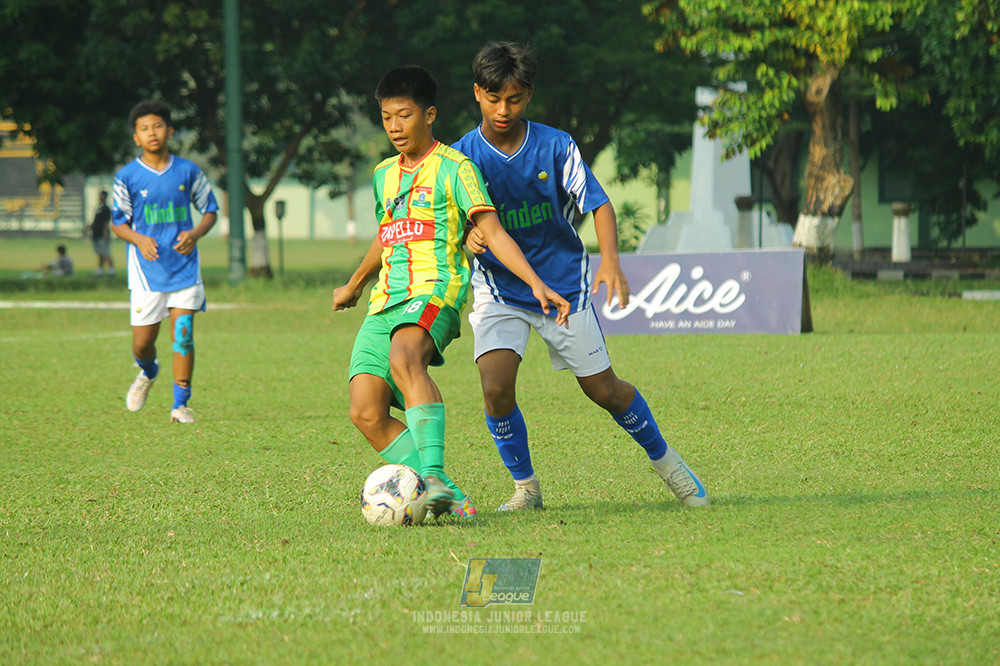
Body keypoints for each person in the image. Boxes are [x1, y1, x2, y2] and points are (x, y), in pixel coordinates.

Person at [454, 41, 709, 511]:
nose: (503, 109)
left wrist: (610, 261)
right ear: (477, 94)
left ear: (528, 95)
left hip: (565, 289)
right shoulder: (460, 158)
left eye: (513, 98)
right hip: (500, 290)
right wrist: (467, 235)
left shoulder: (556, 145)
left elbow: (599, 204)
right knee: (494, 386)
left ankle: (670, 465)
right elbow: (451, 220)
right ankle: (526, 489)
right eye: (493, 99)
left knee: (604, 391)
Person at [332, 65, 570, 519]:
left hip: (434, 292)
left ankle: (433, 474)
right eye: (386, 118)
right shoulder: (384, 175)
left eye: (404, 115)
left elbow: (493, 232)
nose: (395, 127)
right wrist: (355, 285)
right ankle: (452, 497)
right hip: (386, 300)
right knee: (365, 410)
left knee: (405, 358)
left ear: (430, 114)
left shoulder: (456, 169)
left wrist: (537, 283)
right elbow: (386, 236)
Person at [111, 100, 219, 424]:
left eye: (157, 126)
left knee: (183, 333)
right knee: (143, 345)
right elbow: (118, 223)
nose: (152, 133)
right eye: (144, 128)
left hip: (184, 268)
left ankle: (180, 404)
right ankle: (148, 371)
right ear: (136, 137)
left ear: (169, 131)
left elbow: (210, 210)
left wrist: (196, 232)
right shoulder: (127, 176)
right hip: (147, 272)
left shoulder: (187, 170)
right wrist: (139, 239)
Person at [91, 190, 115, 276]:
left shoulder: (106, 209)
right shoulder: (99, 208)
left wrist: (105, 234)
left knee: (106, 252)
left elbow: (106, 222)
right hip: (96, 234)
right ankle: (100, 269)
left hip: (102, 234)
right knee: (100, 253)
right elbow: (95, 221)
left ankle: (111, 269)